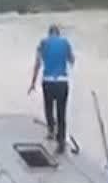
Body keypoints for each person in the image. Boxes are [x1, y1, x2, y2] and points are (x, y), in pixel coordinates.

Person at [28, 23, 75, 153]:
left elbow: (37, 63)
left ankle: (50, 131)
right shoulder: (65, 43)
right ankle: (61, 142)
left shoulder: (43, 43)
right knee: (62, 112)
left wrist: (33, 83)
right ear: (58, 33)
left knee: (48, 107)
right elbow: (72, 60)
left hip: (48, 81)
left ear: (49, 33)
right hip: (62, 82)